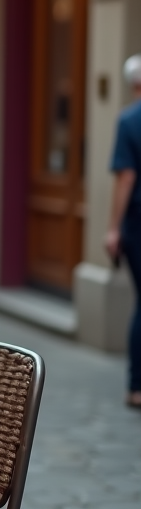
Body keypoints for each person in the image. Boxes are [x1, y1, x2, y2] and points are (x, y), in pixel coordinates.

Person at [104, 53, 141, 409]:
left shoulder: (130, 120)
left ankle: (136, 386)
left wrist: (113, 228)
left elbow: (126, 176)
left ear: (133, 84)